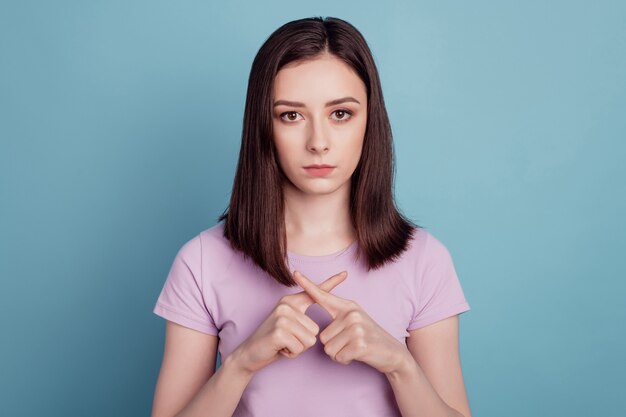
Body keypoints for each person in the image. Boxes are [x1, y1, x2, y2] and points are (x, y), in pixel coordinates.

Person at [151, 16, 472, 417]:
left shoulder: (424, 260)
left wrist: (398, 363)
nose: (318, 143)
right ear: (262, 127)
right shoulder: (201, 261)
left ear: (370, 121)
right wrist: (242, 361)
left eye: (340, 114)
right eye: (291, 115)